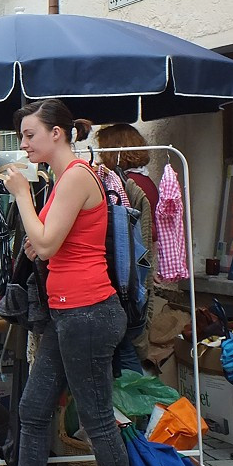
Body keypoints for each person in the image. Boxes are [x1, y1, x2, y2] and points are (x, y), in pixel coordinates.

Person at [0, 98, 138, 466]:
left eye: (29, 135)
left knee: (98, 422)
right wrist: (34, 237)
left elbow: (45, 243)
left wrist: (23, 196)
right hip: (71, 313)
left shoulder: (78, 176)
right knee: (34, 408)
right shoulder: (67, 178)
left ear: (57, 134)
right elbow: (47, 244)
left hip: (87, 313)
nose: (23, 144)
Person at [95, 123, 158, 375]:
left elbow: (137, 234)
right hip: (137, 270)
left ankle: (135, 408)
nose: (99, 155)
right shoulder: (144, 181)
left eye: (102, 150)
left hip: (129, 273)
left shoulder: (128, 185)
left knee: (126, 347)